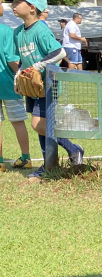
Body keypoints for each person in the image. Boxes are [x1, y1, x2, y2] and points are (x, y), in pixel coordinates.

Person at [12, 0, 84, 182]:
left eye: (17, 2)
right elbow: (22, 60)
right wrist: (18, 76)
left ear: (32, 8)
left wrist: (37, 66)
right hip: (32, 85)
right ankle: (52, 162)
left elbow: (59, 52)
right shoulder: (18, 32)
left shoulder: (40, 29)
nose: (13, 5)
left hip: (48, 84)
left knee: (38, 124)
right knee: (40, 127)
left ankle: (68, 152)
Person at [0, 13, 32, 172]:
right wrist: (22, 76)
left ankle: (0, 162)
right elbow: (11, 59)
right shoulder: (6, 31)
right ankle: (26, 157)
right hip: (9, 84)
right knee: (18, 121)